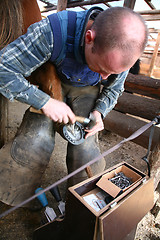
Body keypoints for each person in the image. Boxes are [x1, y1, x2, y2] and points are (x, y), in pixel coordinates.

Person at [0, 6, 148, 207]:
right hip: (50, 80)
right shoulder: (52, 32)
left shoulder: (123, 49)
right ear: (89, 38)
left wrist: (100, 111)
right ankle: (18, 196)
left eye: (111, 73)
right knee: (37, 139)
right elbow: (3, 69)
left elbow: (114, 89)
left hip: (85, 88)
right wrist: (45, 102)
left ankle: (84, 203)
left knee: (84, 143)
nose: (105, 78)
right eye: (103, 69)